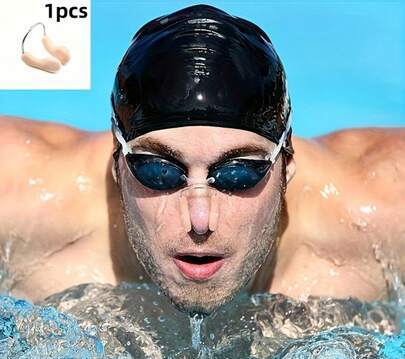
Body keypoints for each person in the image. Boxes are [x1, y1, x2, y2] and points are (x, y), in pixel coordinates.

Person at [0, 4, 404, 314]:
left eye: (238, 173)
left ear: (287, 168)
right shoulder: (22, 200)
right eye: (159, 171)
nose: (199, 219)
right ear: (117, 164)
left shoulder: (381, 212)